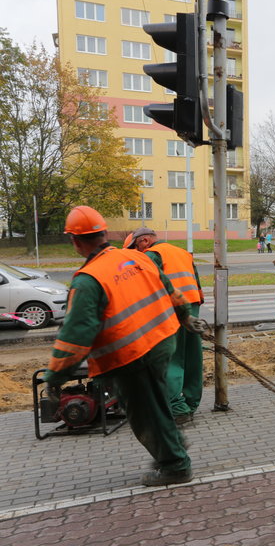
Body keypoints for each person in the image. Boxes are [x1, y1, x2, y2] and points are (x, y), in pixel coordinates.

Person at [44, 206, 207, 486]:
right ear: (105, 233)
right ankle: (174, 441)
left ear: (75, 241)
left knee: (145, 414)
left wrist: (55, 376)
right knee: (157, 402)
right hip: (161, 341)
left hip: (131, 356)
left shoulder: (88, 280)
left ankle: (175, 466)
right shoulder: (135, 257)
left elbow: (75, 335)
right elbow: (170, 289)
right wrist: (186, 317)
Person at [126, 227, 204, 426]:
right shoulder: (182, 252)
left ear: (143, 241)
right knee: (192, 358)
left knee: (171, 360)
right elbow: (197, 283)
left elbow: (145, 286)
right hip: (192, 309)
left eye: (135, 248)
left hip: (171, 312)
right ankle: (190, 404)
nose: (136, 254)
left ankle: (178, 409)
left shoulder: (152, 255)